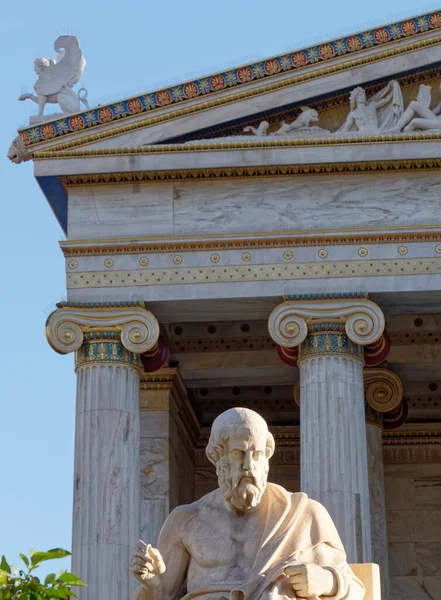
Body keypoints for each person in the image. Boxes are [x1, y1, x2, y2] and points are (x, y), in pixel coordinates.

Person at [130, 408, 365, 600]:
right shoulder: (186, 521)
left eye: (257, 454)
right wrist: (151, 584)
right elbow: (163, 595)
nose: (249, 466)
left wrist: (327, 581)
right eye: (238, 453)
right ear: (217, 457)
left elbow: (356, 589)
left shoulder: (304, 514)